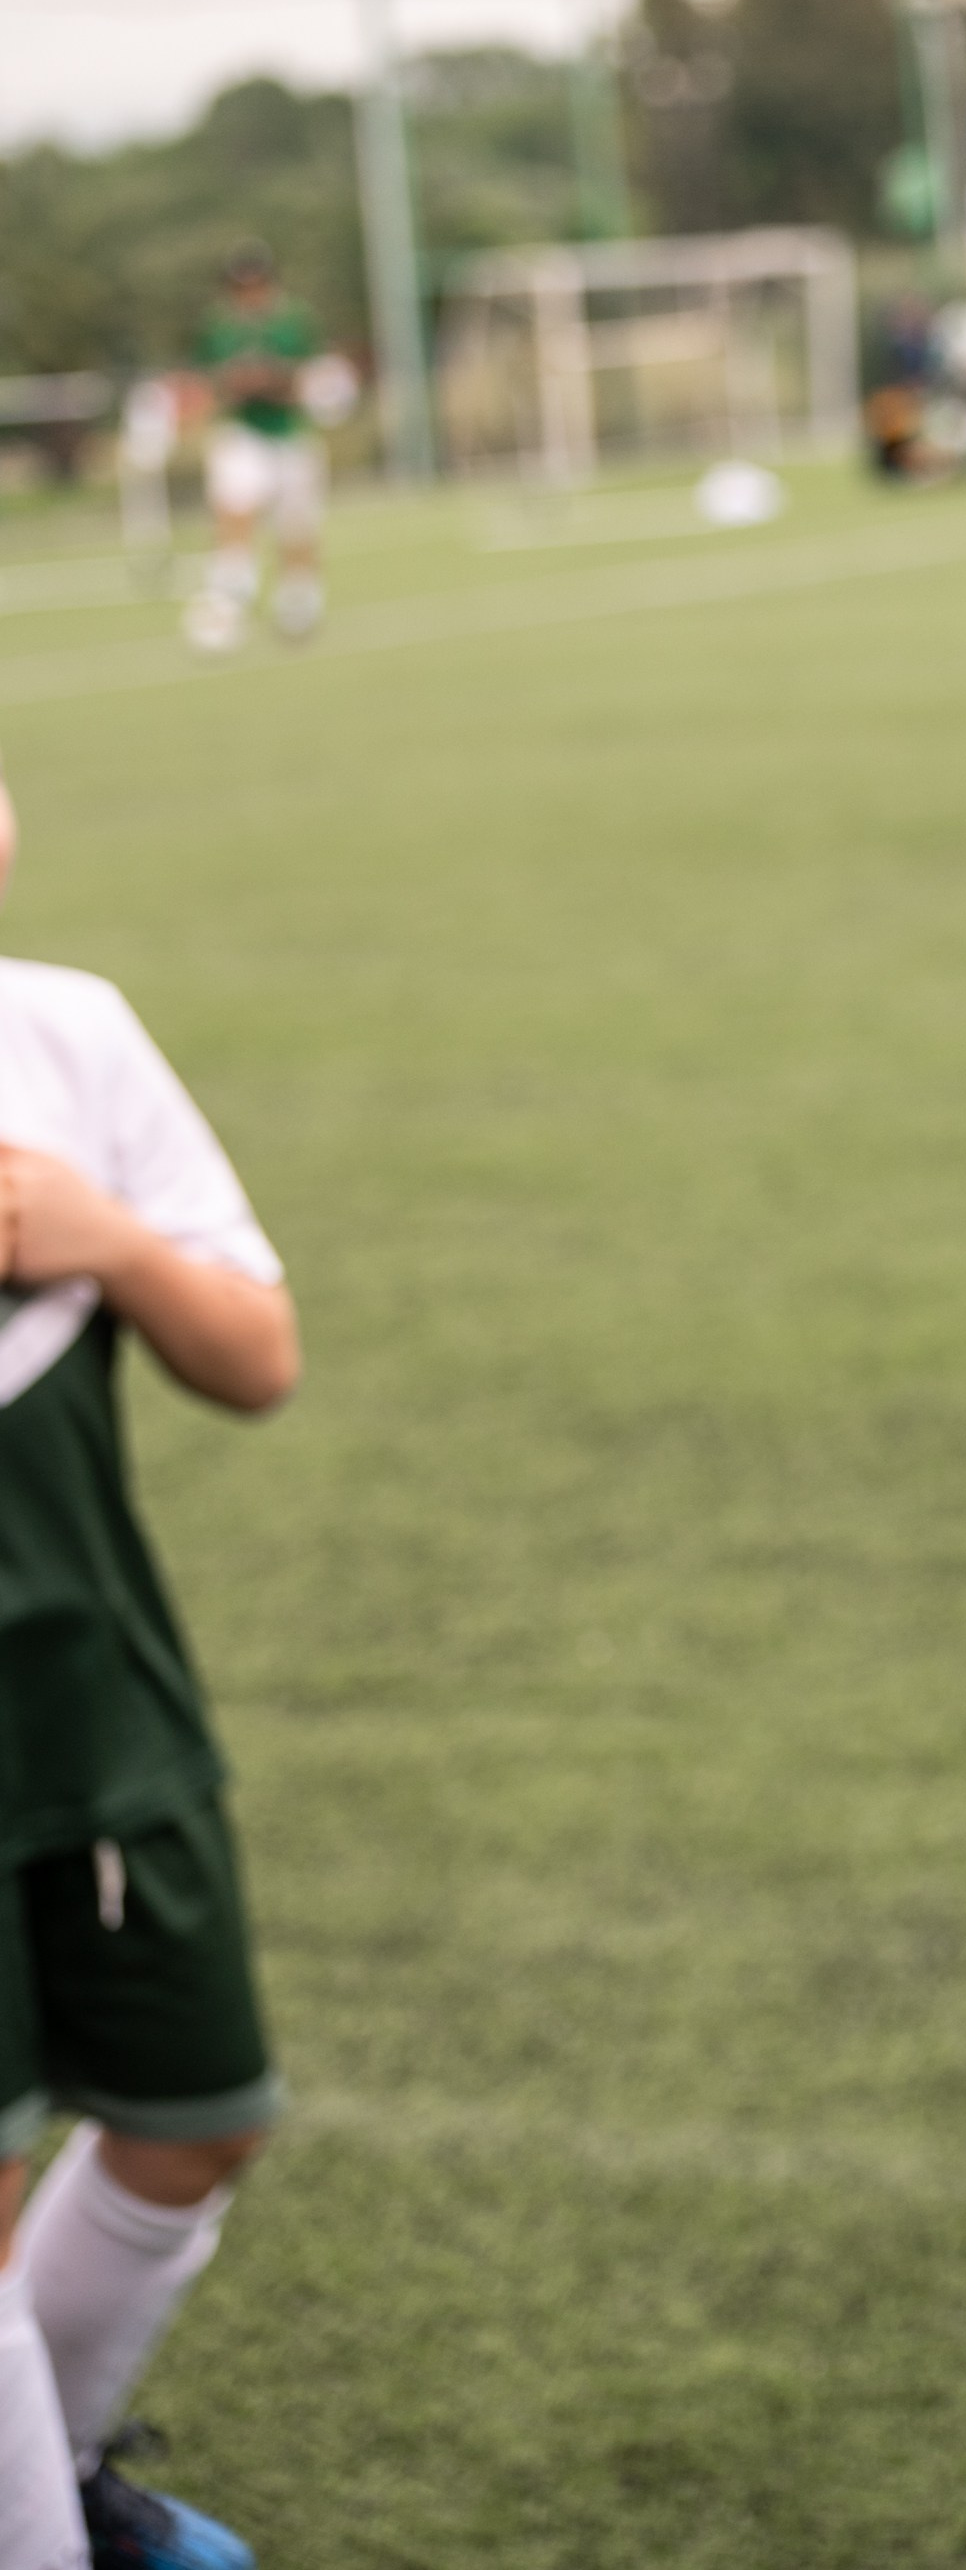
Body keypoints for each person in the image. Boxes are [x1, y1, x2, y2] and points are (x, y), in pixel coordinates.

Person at [0, 764, 299, 2570]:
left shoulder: (65, 1034)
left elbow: (257, 1355)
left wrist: (99, 1237)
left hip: (102, 1720)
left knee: (196, 2122)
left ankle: (54, 2470)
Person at [184, 245, 328, 658]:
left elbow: (312, 379)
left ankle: (298, 601)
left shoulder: (294, 320)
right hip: (243, 432)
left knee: (295, 525)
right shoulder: (219, 326)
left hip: (289, 432)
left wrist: (275, 382)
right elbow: (212, 380)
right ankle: (229, 600)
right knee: (235, 511)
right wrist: (237, 385)